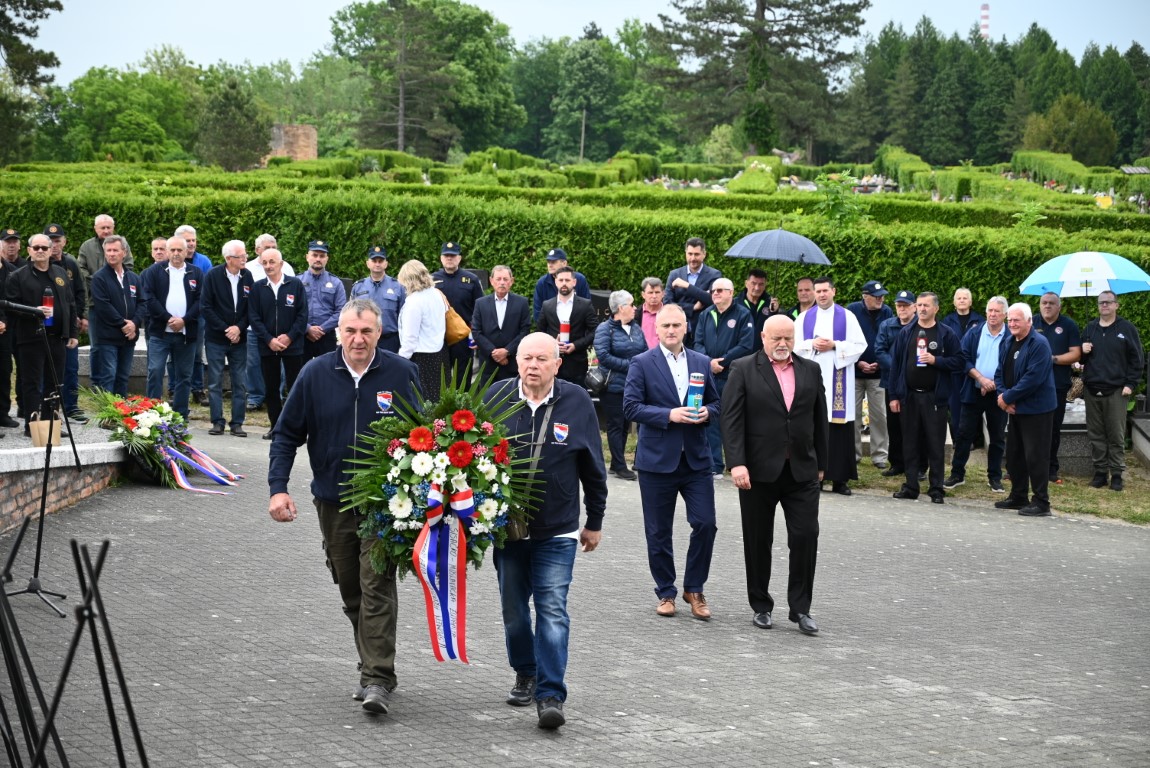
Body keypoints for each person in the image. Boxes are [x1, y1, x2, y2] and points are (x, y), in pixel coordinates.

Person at [268, 298, 422, 716]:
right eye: (350, 331)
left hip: (386, 504)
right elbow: (286, 434)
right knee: (351, 590)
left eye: (366, 331)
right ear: (338, 333)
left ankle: (377, 678)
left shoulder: (402, 373)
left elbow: (424, 434)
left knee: (377, 586)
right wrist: (278, 488)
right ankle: (371, 664)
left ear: (379, 333)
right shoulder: (315, 373)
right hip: (332, 500)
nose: (358, 339)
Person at [484, 332, 607, 730]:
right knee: (514, 611)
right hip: (508, 529)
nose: (533, 365)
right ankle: (526, 672)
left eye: (541, 359)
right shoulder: (496, 397)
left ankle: (551, 694)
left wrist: (594, 521)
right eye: (526, 358)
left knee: (552, 610)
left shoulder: (577, 401)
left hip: (558, 529)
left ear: (557, 364)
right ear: (516, 361)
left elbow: (593, 466)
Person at [723, 314, 827, 635]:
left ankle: (801, 608)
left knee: (806, 535)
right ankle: (761, 605)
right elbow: (731, 419)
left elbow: (819, 419)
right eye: (776, 338)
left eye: (788, 338)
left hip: (801, 471)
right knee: (758, 540)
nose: (783, 344)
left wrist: (822, 463)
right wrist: (736, 463)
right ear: (763, 338)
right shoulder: (743, 368)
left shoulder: (811, 370)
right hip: (756, 472)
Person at [623, 304, 720, 620]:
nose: (671, 330)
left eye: (677, 325)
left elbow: (716, 402)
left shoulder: (701, 361)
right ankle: (666, 591)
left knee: (705, 524)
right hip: (656, 460)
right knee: (658, 531)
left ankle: (695, 588)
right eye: (665, 325)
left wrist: (708, 412)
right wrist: (669, 415)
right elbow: (631, 407)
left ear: (686, 327)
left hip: (695, 460)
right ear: (656, 328)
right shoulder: (641, 363)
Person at [794, 277, 866, 496]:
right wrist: (811, 344)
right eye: (818, 291)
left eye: (825, 290)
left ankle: (840, 480)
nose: (822, 295)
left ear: (834, 291)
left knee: (838, 431)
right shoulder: (804, 318)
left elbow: (860, 345)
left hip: (838, 382)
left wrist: (835, 345)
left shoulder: (848, 317)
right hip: (812, 381)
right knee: (813, 429)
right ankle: (814, 478)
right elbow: (793, 345)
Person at [888, 292, 963, 504]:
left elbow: (959, 361)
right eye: (919, 305)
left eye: (926, 305)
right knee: (910, 443)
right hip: (909, 396)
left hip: (934, 398)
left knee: (935, 444)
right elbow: (895, 365)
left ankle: (936, 488)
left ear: (936, 309)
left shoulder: (946, 334)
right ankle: (911, 486)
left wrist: (936, 360)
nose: (922, 309)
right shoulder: (906, 332)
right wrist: (894, 396)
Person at [4, 234, 79, 436]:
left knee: (55, 382)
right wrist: (34, 311)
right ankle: (33, 426)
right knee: (32, 383)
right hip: (31, 338)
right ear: (28, 250)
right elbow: (10, 308)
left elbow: (70, 304)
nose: (40, 251)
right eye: (35, 247)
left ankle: (51, 424)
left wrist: (72, 332)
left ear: (50, 250)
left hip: (57, 337)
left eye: (44, 248)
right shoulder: (18, 276)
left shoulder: (60, 273)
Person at [993, 303, 1058, 516]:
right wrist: (1003, 396)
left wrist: (1007, 398)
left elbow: (1033, 379)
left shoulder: (1039, 344)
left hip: (1037, 410)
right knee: (1015, 455)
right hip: (1015, 409)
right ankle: (1018, 496)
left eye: (1017, 320)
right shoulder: (1008, 341)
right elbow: (999, 372)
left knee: (1036, 456)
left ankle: (1041, 502)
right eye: (1010, 320)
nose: (1012, 324)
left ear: (1029, 321)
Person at [1080, 290, 1144, 491]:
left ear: (1117, 305)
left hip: (1117, 390)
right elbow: (1080, 361)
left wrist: (1130, 384)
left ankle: (1116, 474)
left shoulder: (1127, 328)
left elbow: (1137, 359)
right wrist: (1083, 351)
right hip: (1092, 389)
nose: (1104, 305)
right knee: (1096, 434)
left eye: (1108, 302)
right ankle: (1100, 473)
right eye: (1101, 302)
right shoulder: (1090, 328)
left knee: (1116, 434)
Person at [944, 297, 1009, 493]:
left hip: (999, 393)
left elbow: (1013, 365)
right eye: (990, 310)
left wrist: (993, 384)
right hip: (974, 390)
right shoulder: (974, 332)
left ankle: (994, 477)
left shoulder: (1011, 336)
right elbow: (962, 358)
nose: (992, 314)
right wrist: (980, 379)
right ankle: (957, 474)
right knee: (964, 434)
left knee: (997, 437)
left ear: (1005, 315)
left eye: (997, 311)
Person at [692, 277, 755, 477]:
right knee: (710, 418)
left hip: (732, 375)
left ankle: (737, 463)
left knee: (732, 419)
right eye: (713, 290)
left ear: (731, 292)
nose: (716, 293)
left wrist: (723, 361)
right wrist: (709, 362)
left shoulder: (743, 314)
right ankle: (714, 465)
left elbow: (746, 345)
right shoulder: (705, 314)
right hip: (709, 375)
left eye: (720, 290)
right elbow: (697, 342)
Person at [141, 235, 203, 420]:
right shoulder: (154, 271)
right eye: (173, 250)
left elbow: (201, 300)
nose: (176, 253)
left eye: (179, 250)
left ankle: (180, 414)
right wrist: (168, 318)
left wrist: (184, 320)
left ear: (186, 252)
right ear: (167, 251)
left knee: (184, 375)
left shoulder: (196, 272)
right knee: (155, 371)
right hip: (160, 333)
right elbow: (149, 298)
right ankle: (152, 414)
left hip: (186, 333)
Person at [248, 248, 308, 439]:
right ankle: (275, 427)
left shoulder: (295, 285)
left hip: (293, 346)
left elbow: (302, 315)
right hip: (268, 347)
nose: (268, 266)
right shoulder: (257, 288)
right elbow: (254, 317)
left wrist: (289, 337)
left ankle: (295, 428)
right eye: (264, 262)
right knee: (271, 389)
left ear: (281, 264)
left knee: (295, 388)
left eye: (272, 262)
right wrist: (269, 339)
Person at [201, 240, 254, 437]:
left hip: (239, 339)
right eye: (241, 256)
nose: (245, 258)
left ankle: (237, 423)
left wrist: (238, 328)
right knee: (215, 381)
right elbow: (206, 307)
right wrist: (226, 329)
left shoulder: (247, 276)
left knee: (239, 382)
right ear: (229, 258)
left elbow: (251, 308)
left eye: (245, 255)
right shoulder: (213, 275)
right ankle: (217, 421)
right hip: (216, 338)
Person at [594, 289, 648, 480]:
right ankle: (619, 465)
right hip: (612, 386)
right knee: (615, 425)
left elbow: (644, 349)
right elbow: (603, 355)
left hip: (631, 385)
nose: (635, 308)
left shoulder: (636, 328)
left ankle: (616, 463)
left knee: (625, 424)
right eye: (631, 305)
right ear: (621, 308)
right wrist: (631, 365)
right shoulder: (604, 329)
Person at [1034, 292, 1082, 485]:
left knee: (1053, 428)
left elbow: (1076, 354)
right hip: (1032, 386)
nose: (1047, 306)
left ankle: (1051, 468)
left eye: (1052, 303)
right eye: (1044, 303)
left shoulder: (1069, 325)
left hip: (1057, 385)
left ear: (1059, 307)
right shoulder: (1031, 322)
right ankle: (1023, 466)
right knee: (1028, 428)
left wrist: (1052, 359)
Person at [43, 224, 88, 423]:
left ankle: (71, 407)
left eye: (57, 240)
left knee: (70, 368)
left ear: (64, 242)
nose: (54, 244)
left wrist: (82, 316)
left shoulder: (71, 263)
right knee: (45, 369)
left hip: (68, 326)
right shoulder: (36, 263)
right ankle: (45, 408)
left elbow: (80, 291)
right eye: (50, 241)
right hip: (46, 327)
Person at [88, 235, 143, 397]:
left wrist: (134, 323)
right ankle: (107, 410)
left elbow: (142, 303)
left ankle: (121, 408)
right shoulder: (99, 278)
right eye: (108, 250)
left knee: (123, 376)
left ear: (124, 252)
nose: (111, 254)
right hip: (108, 336)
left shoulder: (133, 278)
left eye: (115, 250)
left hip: (129, 336)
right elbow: (103, 306)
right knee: (109, 375)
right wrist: (123, 324)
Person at [847, 280, 894, 470]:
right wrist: (857, 361)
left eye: (882, 296)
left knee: (879, 415)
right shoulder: (852, 310)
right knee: (853, 415)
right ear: (865, 296)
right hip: (855, 372)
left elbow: (891, 340)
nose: (880, 299)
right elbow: (846, 340)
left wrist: (881, 363)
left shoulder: (887, 311)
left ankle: (880, 455)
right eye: (876, 297)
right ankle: (853, 454)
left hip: (878, 373)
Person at [243, 234, 293, 410]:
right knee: (253, 363)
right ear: (257, 250)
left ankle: (276, 396)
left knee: (279, 365)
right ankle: (255, 396)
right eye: (267, 248)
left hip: (280, 329)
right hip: (255, 327)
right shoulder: (248, 268)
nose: (271, 250)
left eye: (274, 247)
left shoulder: (287, 267)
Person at [874, 290, 917, 477]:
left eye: (906, 306)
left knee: (915, 426)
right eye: (899, 306)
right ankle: (897, 463)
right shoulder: (886, 325)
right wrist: (897, 368)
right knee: (893, 425)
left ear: (914, 307)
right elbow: (879, 350)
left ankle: (917, 465)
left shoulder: (920, 326)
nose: (902, 309)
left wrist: (907, 370)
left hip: (914, 382)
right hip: (891, 382)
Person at [432, 241, 484, 387]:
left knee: (463, 377)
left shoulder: (471, 280)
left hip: (463, 336)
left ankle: (463, 402)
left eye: (453, 256)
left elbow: (479, 308)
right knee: (440, 378)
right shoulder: (431, 280)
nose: (449, 258)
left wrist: (476, 334)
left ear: (459, 258)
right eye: (446, 256)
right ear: (441, 258)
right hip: (439, 336)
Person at [536, 266, 598, 386]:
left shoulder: (585, 305)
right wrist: (553, 343)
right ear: (556, 282)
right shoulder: (547, 305)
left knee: (576, 396)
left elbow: (595, 331)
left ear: (574, 282)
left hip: (577, 365)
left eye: (567, 280)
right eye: (561, 280)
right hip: (552, 363)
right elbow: (539, 332)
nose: (564, 283)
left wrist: (576, 345)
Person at [396, 259, 448, 401]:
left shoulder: (414, 302)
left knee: (423, 402)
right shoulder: (437, 294)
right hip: (440, 353)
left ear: (408, 280)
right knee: (439, 400)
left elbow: (410, 338)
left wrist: (400, 361)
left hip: (421, 359)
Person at [175, 224, 213, 406]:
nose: (191, 244)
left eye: (193, 240)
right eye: (187, 240)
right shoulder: (171, 260)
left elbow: (207, 290)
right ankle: (173, 389)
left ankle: (198, 389)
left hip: (197, 317)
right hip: (174, 318)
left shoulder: (204, 261)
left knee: (197, 354)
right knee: (173, 355)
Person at [471, 265, 529, 383]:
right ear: (491, 281)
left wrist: (507, 351)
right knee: (487, 395)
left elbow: (525, 330)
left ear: (511, 281)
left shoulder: (522, 303)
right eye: (498, 279)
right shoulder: (480, 303)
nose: (502, 282)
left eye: (505, 279)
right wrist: (494, 352)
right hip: (488, 364)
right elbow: (476, 331)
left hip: (512, 363)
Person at [942, 288, 984, 445]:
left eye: (965, 298)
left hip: (973, 370)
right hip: (954, 371)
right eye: (958, 298)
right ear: (954, 302)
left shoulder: (980, 320)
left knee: (972, 405)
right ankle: (957, 439)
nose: (961, 300)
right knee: (955, 406)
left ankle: (972, 439)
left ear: (970, 302)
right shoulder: (947, 321)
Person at [349, 245, 406, 354]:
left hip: (390, 340)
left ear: (386, 264)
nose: (377, 264)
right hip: (364, 339)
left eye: (380, 261)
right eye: (374, 261)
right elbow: (352, 314)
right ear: (368, 263)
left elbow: (403, 317)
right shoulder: (358, 287)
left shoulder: (398, 287)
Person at [665, 237, 722, 341]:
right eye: (690, 254)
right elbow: (667, 303)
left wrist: (687, 286)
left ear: (704, 254)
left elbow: (712, 299)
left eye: (696, 254)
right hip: (678, 330)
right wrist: (692, 307)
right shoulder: (674, 274)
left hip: (703, 331)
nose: (693, 258)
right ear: (685, 253)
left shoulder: (714, 275)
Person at [299, 239, 347, 362]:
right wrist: (308, 329)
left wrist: (322, 329)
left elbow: (341, 311)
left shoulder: (336, 283)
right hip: (302, 336)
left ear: (327, 259)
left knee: (328, 370)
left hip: (327, 337)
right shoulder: (297, 282)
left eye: (322, 256)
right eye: (314, 255)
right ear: (307, 257)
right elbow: (292, 310)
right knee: (301, 371)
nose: (318, 259)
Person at [531, 248, 592, 324]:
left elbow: (587, 309)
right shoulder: (542, 283)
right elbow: (538, 313)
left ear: (564, 263)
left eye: (553, 262)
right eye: (548, 262)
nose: (550, 265)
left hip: (576, 328)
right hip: (551, 330)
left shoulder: (579, 279)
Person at [77, 214, 134, 296]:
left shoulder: (122, 244)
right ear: (95, 228)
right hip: (93, 293)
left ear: (113, 228)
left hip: (118, 292)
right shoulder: (86, 246)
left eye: (108, 227)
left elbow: (128, 265)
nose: (106, 231)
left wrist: (113, 281)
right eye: (103, 228)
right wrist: (96, 281)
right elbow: (80, 268)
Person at [734, 267, 778, 352]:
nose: (757, 288)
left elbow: (775, 329)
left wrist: (775, 312)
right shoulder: (735, 303)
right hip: (739, 354)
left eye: (761, 284)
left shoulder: (771, 304)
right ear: (746, 283)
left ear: (765, 285)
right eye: (753, 283)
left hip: (762, 354)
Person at [638, 277, 664, 349]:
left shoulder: (670, 313)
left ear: (663, 294)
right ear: (643, 295)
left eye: (657, 292)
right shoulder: (635, 314)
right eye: (650, 292)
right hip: (642, 354)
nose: (654, 296)